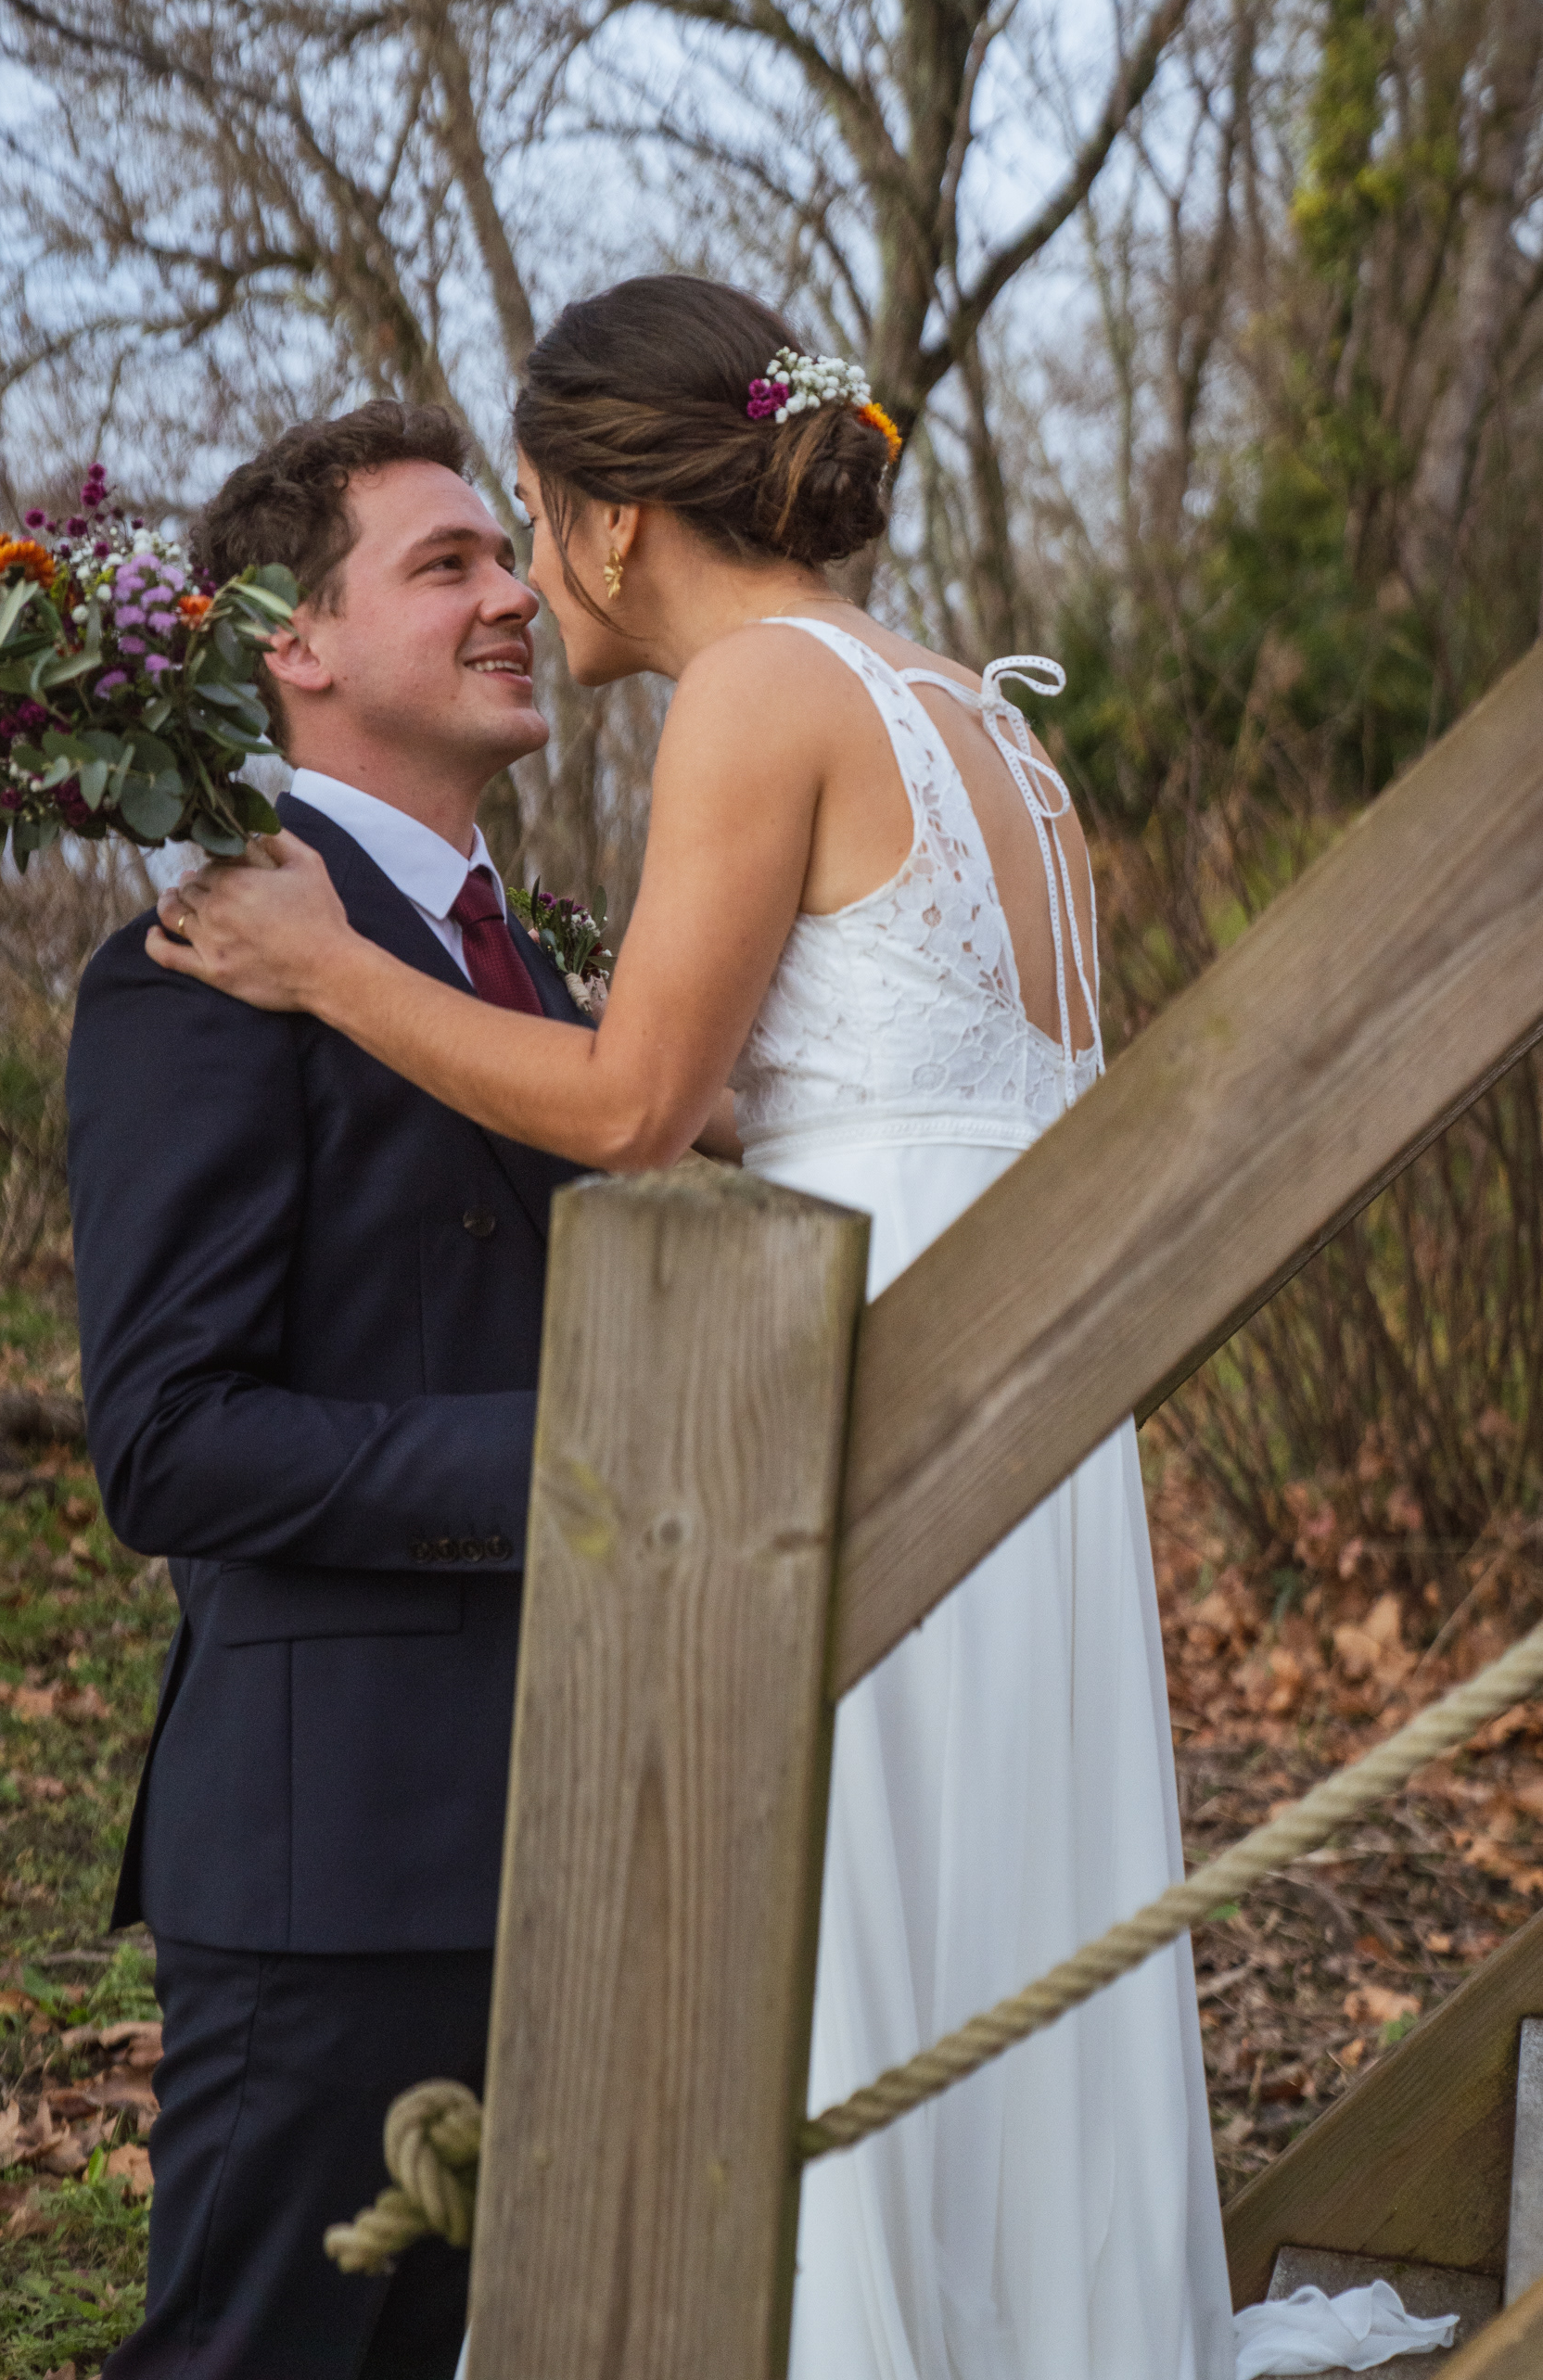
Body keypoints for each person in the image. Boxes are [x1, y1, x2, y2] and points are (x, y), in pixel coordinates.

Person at [147, 281, 1455, 2380]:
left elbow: (630, 1108)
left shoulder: (756, 690)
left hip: (885, 1398)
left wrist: (325, 966)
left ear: (613, 519)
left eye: (529, 516)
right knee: (989, 1920)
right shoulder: (984, 720)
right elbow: (910, 1092)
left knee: (845, 1943)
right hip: (1033, 1386)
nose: (529, 571)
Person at [67, 399, 591, 2380]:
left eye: (504, 556)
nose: (511, 594)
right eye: (447, 564)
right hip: (340, 1854)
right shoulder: (198, 960)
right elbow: (166, 1438)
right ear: (290, 640)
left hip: (570, 1810)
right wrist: (576, 1466)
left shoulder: (523, 967)